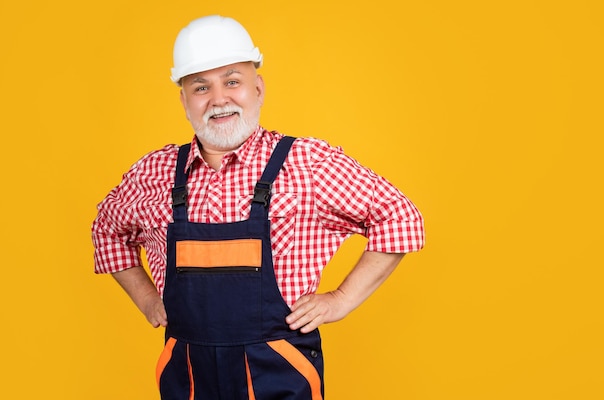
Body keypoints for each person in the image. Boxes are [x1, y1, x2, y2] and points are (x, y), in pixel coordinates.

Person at [92, 15, 424, 400]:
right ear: (184, 101)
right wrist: (147, 299)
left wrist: (342, 299)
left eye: (232, 81)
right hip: (187, 376)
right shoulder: (155, 172)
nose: (219, 99)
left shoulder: (307, 163)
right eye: (201, 87)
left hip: (279, 370)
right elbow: (107, 230)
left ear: (258, 88)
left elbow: (400, 218)